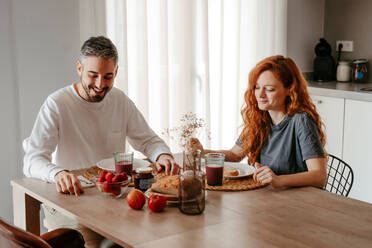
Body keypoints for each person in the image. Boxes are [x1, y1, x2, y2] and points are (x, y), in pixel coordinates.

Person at [23, 36, 180, 248]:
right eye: (93, 75)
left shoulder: (120, 100)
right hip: (72, 200)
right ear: (79, 68)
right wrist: (57, 173)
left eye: (107, 77)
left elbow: (148, 140)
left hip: (114, 200)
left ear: (116, 73)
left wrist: (162, 155)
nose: (99, 85)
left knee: (160, 236)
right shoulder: (57, 104)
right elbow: (32, 160)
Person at [190, 55, 327, 189]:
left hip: (301, 201)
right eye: (257, 87)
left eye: (269, 89)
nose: (260, 95)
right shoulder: (260, 118)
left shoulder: (301, 120)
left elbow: (319, 177)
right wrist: (202, 152)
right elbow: (235, 155)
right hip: (273, 196)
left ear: (289, 90)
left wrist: (279, 180)